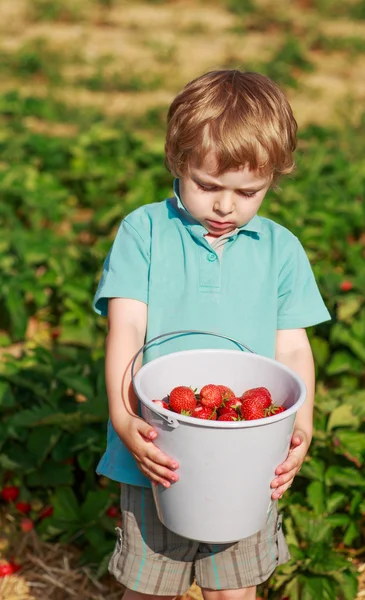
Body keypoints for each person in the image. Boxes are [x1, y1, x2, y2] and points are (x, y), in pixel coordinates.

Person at [93, 69, 330, 600]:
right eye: (208, 186)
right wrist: (123, 415)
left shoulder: (281, 249)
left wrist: (302, 425)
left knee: (235, 587)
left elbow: (292, 345)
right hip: (159, 448)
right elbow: (126, 325)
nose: (226, 206)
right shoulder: (145, 231)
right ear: (178, 161)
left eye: (249, 192)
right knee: (151, 586)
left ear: (274, 178)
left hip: (249, 450)